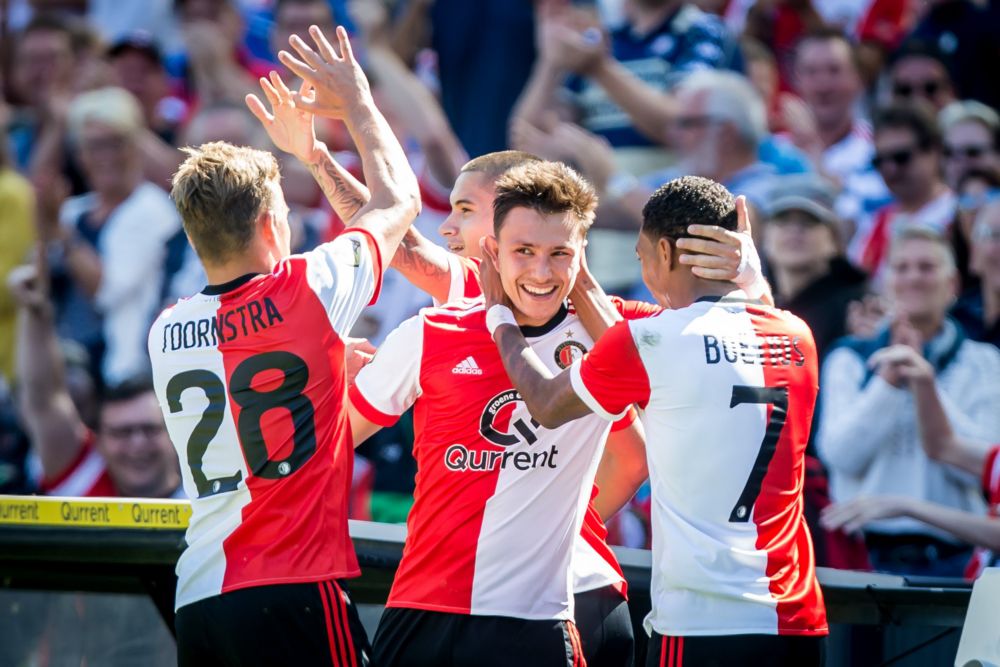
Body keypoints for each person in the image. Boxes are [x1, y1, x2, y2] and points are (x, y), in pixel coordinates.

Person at [148, 26, 419, 666]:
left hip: (199, 598)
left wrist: (323, 364)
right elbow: (398, 200)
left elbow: (250, 375)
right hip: (292, 586)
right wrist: (353, 102)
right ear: (273, 223)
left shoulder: (167, 331)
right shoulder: (310, 289)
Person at [480, 176, 828, 666]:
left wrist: (499, 317)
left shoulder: (652, 340)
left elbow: (544, 403)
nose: (643, 270)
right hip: (797, 620)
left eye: (642, 256)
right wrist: (752, 278)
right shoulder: (798, 335)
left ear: (664, 252)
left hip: (700, 622)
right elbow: (750, 322)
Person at [349, 161, 648, 666]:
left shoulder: (608, 337)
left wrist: (557, 521)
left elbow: (633, 457)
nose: (540, 272)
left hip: (538, 620)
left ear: (582, 259)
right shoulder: (428, 332)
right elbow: (330, 442)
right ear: (493, 251)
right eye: (523, 252)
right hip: (422, 609)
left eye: (560, 255)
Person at [817, 227, 1000, 576]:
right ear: (886, 282)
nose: (913, 277)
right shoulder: (849, 357)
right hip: (862, 556)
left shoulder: (984, 361)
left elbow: (985, 469)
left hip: (953, 556)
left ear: (953, 285)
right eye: (901, 268)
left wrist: (924, 384)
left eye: (927, 267)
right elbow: (841, 454)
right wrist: (888, 383)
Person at [821, 342, 1000, 579]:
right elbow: (942, 446)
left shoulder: (981, 359)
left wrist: (907, 507)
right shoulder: (847, 356)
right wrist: (921, 377)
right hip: (880, 555)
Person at [9, 261, 180, 499]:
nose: (137, 444)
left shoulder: (208, 493)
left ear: (176, 436)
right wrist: (35, 311)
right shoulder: (83, 476)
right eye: (122, 432)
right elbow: (44, 399)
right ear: (99, 442)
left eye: (150, 430)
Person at [849, 103, 956, 287]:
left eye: (901, 157)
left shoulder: (958, 215)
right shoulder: (876, 224)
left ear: (934, 151)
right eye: (880, 161)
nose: (890, 169)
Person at [763, 174, 868, 360]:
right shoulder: (751, 304)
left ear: (834, 240)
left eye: (809, 221)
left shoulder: (856, 307)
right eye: (783, 219)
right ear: (765, 236)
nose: (794, 231)